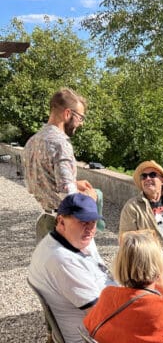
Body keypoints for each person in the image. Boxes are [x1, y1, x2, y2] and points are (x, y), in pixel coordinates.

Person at [28, 193, 116, 343]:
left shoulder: (59, 241)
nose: (90, 228)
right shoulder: (62, 259)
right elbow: (100, 314)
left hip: (81, 326)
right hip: (86, 341)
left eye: (93, 222)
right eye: (83, 222)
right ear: (61, 221)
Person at [23, 88, 98, 242]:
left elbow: (34, 184)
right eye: (81, 117)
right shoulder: (61, 144)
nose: (81, 123)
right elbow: (70, 199)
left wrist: (73, 182)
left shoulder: (31, 142)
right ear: (67, 114)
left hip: (44, 223)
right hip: (65, 226)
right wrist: (90, 197)